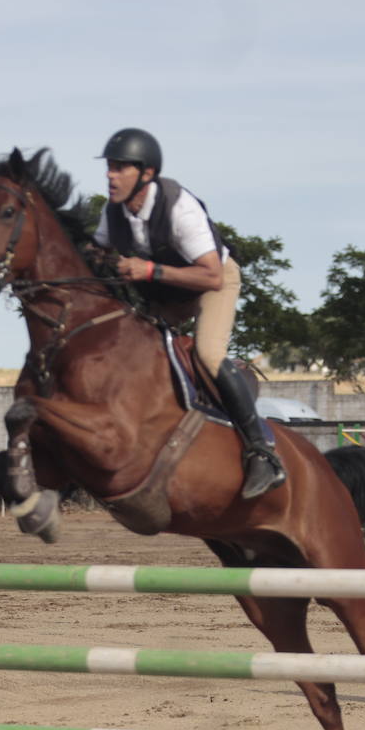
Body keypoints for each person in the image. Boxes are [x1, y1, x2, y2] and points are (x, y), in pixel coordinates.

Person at [93, 127, 285, 500]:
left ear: (146, 174)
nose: (110, 175)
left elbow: (211, 274)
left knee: (207, 355)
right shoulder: (112, 212)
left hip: (212, 283)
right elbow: (95, 251)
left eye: (120, 168)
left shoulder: (178, 207)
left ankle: (262, 451)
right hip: (166, 293)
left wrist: (148, 271)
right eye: (110, 167)